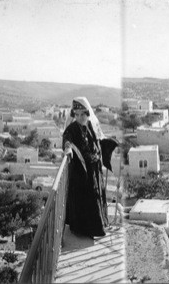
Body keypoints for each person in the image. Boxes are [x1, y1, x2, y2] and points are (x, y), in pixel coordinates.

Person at [62, 97, 118, 238]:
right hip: (81, 172)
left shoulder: (90, 126)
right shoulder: (71, 129)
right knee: (85, 199)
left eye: (83, 114)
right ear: (74, 115)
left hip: (94, 170)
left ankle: (97, 228)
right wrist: (68, 150)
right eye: (77, 115)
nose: (80, 117)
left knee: (95, 197)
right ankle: (83, 230)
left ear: (88, 114)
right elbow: (67, 140)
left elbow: (98, 141)